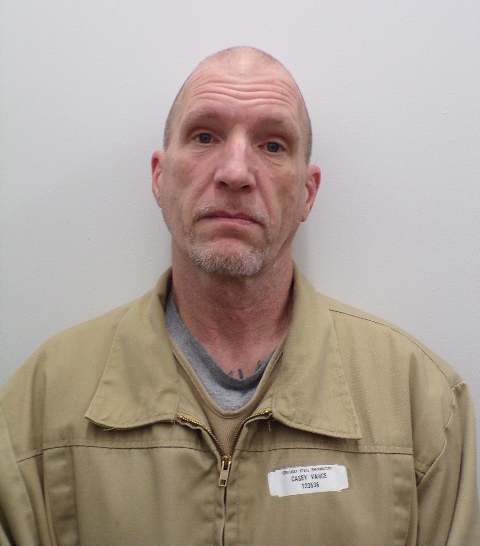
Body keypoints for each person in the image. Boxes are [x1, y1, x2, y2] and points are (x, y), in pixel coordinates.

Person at [0, 46, 478, 545]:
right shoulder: (39, 404)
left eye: (272, 145)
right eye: (205, 136)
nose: (235, 171)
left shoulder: (421, 406)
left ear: (307, 193)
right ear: (160, 177)